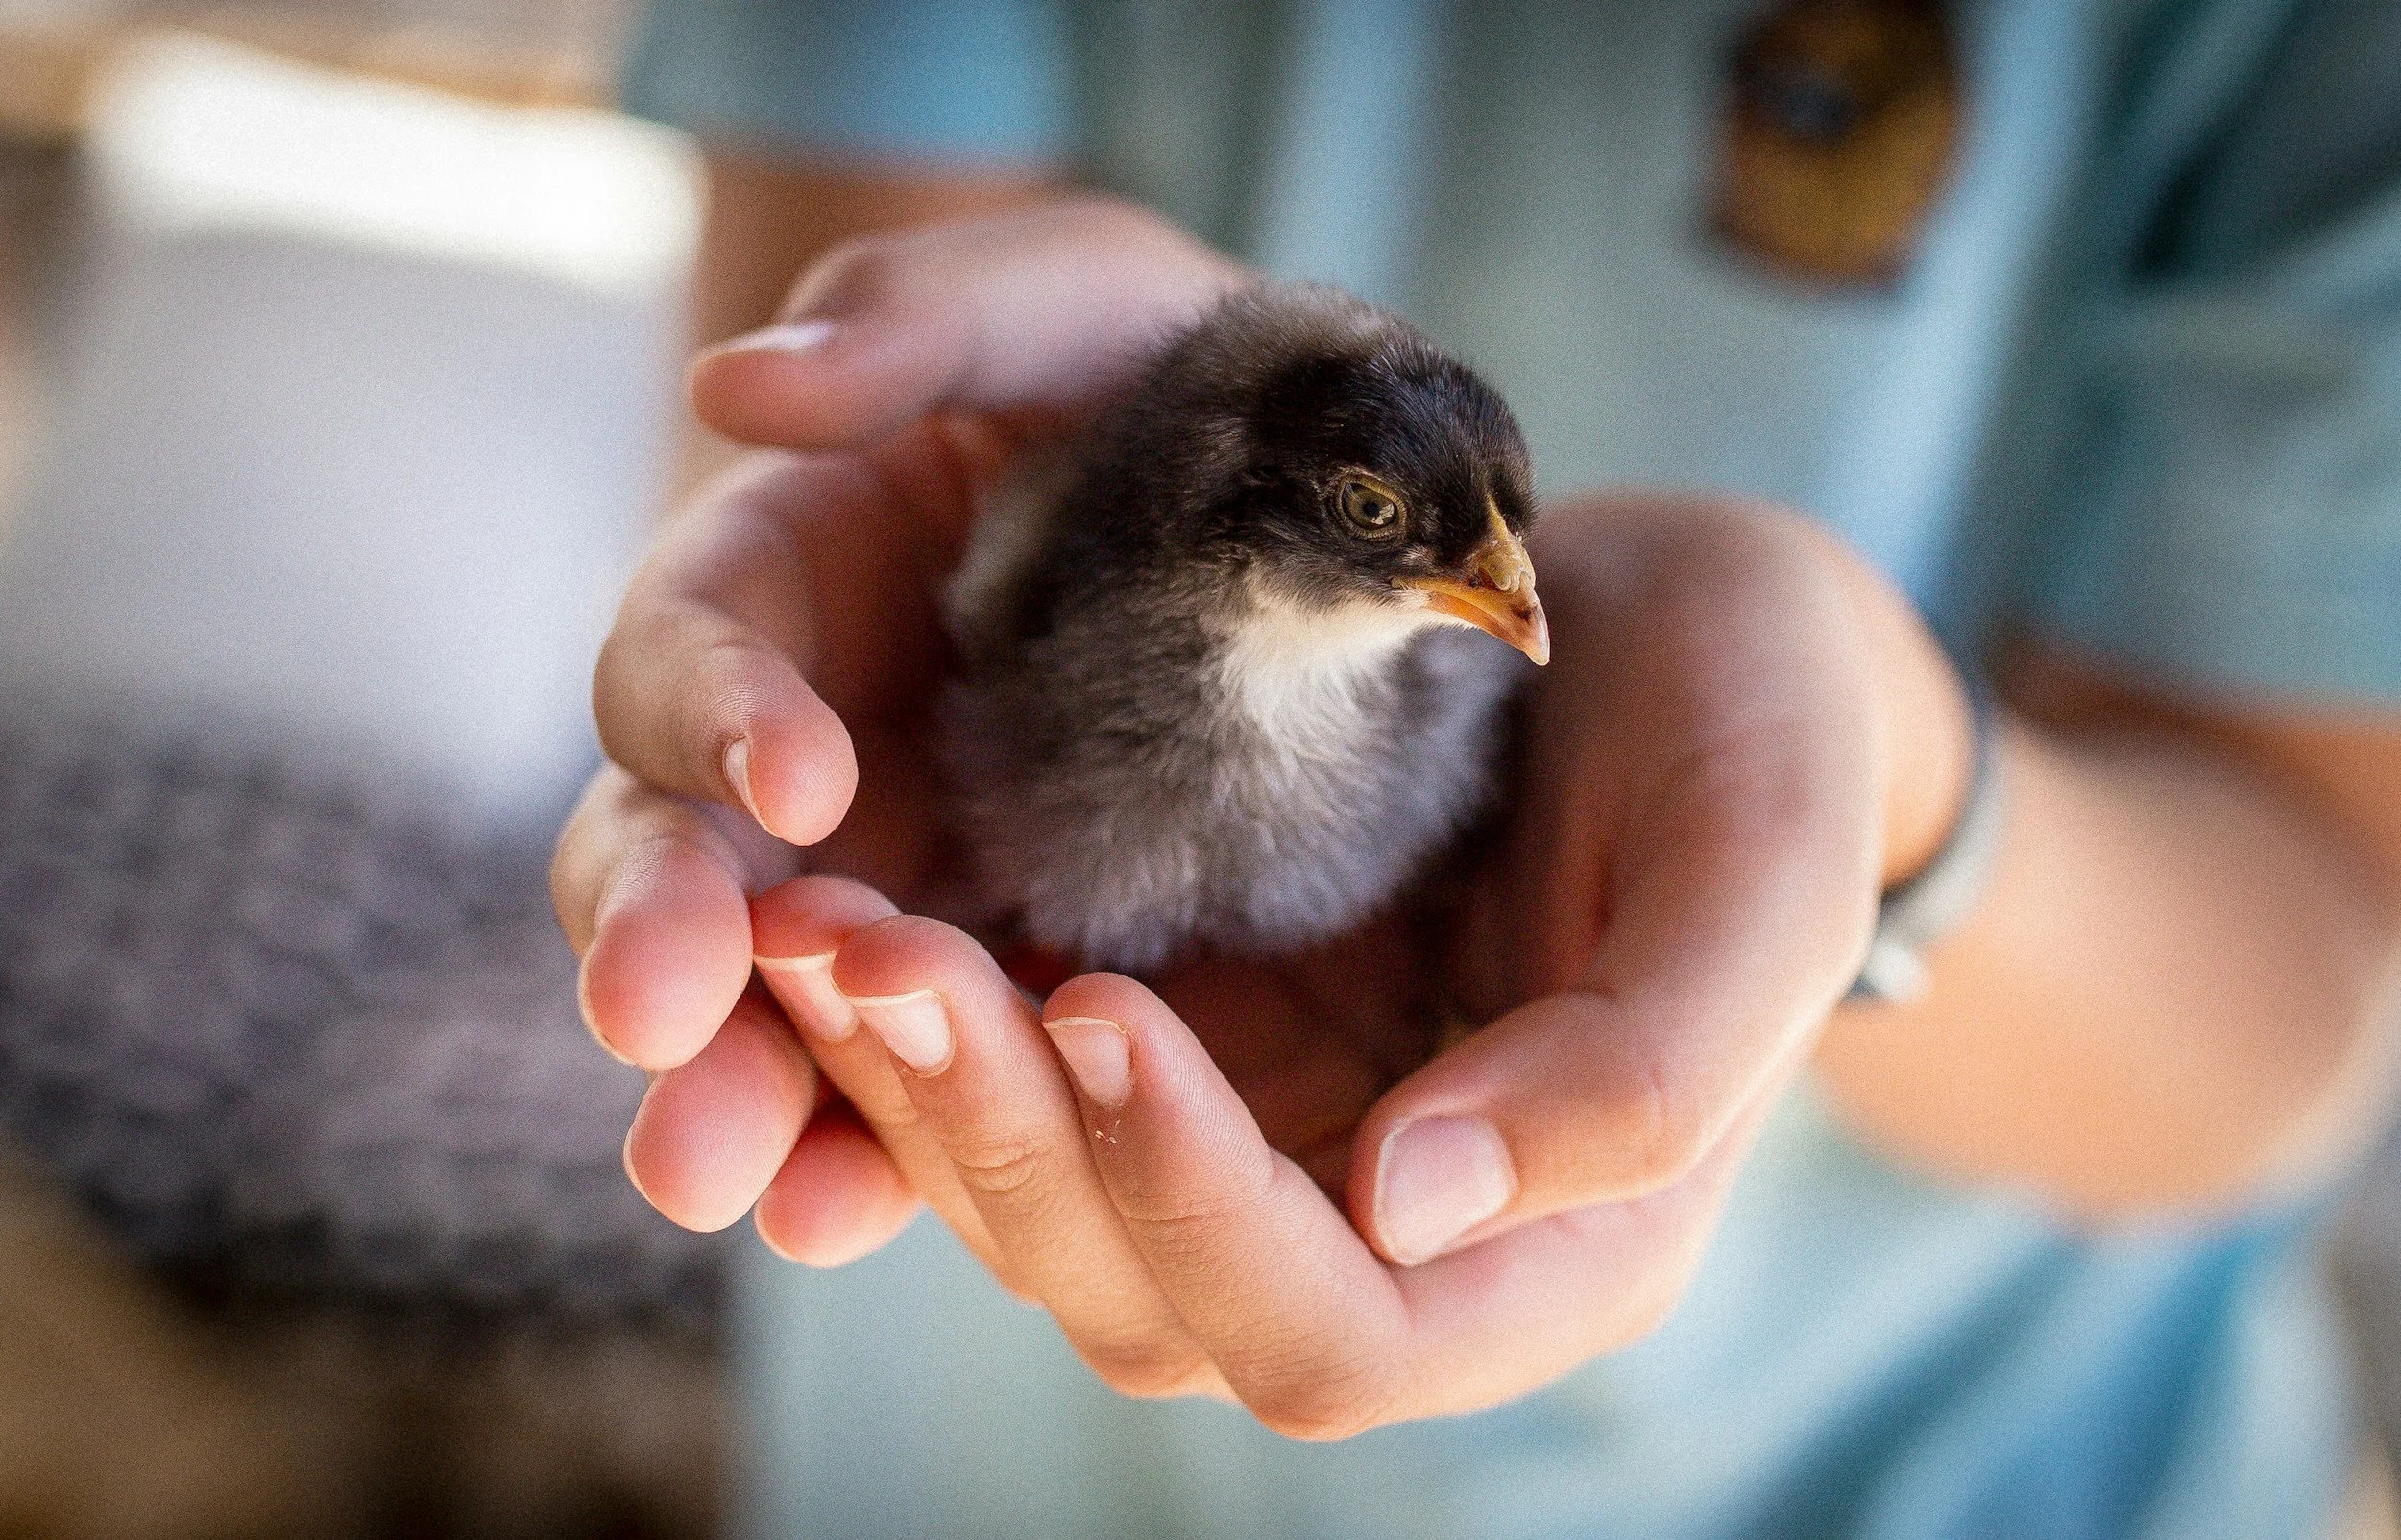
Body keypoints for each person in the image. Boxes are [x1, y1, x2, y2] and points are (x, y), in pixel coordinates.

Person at [553, 1, 2401, 1534]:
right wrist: (809, 610)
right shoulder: (1125, 598)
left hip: (1957, 1466)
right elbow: (838, 479)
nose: (1507, 603)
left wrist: (1884, 773)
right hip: (977, 1427)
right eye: (1398, 525)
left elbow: (2307, 968)